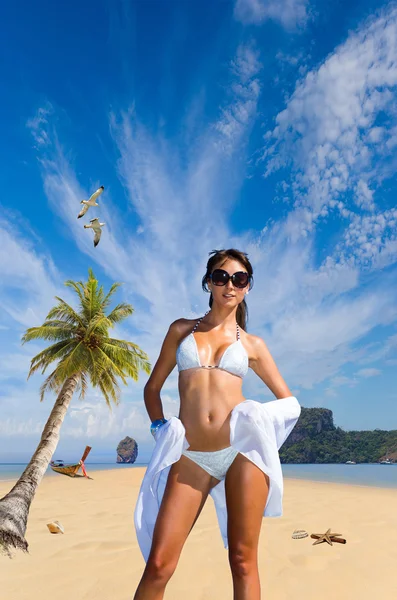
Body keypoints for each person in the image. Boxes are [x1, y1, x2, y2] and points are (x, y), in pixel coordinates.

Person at [133, 248, 301, 600]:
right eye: (222, 277)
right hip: (191, 455)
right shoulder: (181, 330)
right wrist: (161, 429)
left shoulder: (253, 344)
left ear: (247, 287)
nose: (230, 285)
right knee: (159, 564)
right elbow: (152, 388)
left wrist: (253, 419)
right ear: (208, 282)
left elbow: (289, 403)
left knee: (242, 561)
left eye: (239, 279)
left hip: (240, 454)